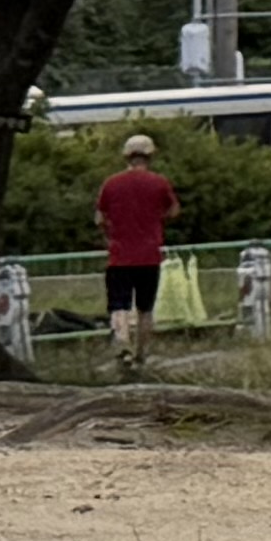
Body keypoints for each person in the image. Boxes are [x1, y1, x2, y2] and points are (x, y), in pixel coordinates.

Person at [93, 131, 178, 373]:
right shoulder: (159, 182)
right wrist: (155, 219)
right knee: (145, 309)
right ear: (150, 156)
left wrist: (111, 232)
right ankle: (141, 356)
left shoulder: (111, 183)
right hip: (149, 255)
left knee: (119, 305)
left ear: (126, 156)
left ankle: (123, 346)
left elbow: (99, 217)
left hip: (119, 256)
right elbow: (173, 210)